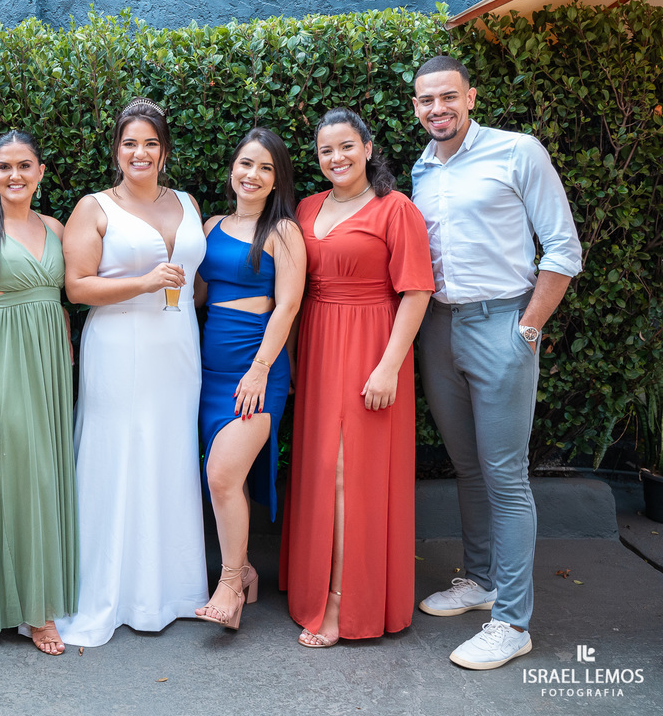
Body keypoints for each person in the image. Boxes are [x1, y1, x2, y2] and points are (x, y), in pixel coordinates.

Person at [410, 56, 582, 670]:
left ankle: (512, 621)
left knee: (505, 477)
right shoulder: (421, 170)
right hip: (438, 328)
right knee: (466, 466)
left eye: (448, 97)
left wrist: (528, 328)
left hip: (502, 325)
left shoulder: (518, 152)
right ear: (416, 107)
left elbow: (564, 246)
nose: (438, 109)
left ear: (471, 97)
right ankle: (480, 583)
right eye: (427, 100)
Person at [55, 97, 208, 648]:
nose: (139, 152)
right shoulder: (94, 207)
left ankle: (169, 590)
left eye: (149, 142)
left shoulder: (187, 202)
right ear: (116, 151)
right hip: (118, 345)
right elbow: (77, 287)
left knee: (169, 455)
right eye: (129, 143)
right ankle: (109, 591)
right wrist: (143, 283)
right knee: (116, 456)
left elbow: (197, 279)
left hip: (178, 347)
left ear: (163, 151)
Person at [279, 107, 433, 648]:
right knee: (321, 467)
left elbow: (416, 292)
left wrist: (389, 365)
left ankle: (347, 601)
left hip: (372, 344)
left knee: (351, 473)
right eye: (325, 151)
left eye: (346, 146)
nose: (336, 158)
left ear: (368, 148)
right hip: (319, 344)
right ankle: (312, 586)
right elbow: (294, 293)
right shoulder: (305, 207)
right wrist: (293, 357)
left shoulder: (396, 210)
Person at [0, 131, 78, 655]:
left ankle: (44, 592)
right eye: (4, 167)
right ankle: (32, 610)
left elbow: (69, 295)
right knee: (17, 476)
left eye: (24, 165)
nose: (15, 176)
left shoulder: (56, 227)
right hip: (2, 361)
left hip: (51, 363)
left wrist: (67, 347)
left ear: (41, 172)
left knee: (49, 475)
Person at [193, 128, 305, 629]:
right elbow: (195, 295)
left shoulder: (284, 231)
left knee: (221, 474)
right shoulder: (212, 224)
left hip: (256, 374)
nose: (252, 175)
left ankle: (231, 583)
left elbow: (288, 305)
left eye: (264, 167)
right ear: (232, 169)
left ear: (277, 178)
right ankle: (248, 572)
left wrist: (260, 369)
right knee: (221, 479)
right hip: (208, 373)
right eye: (245, 164)